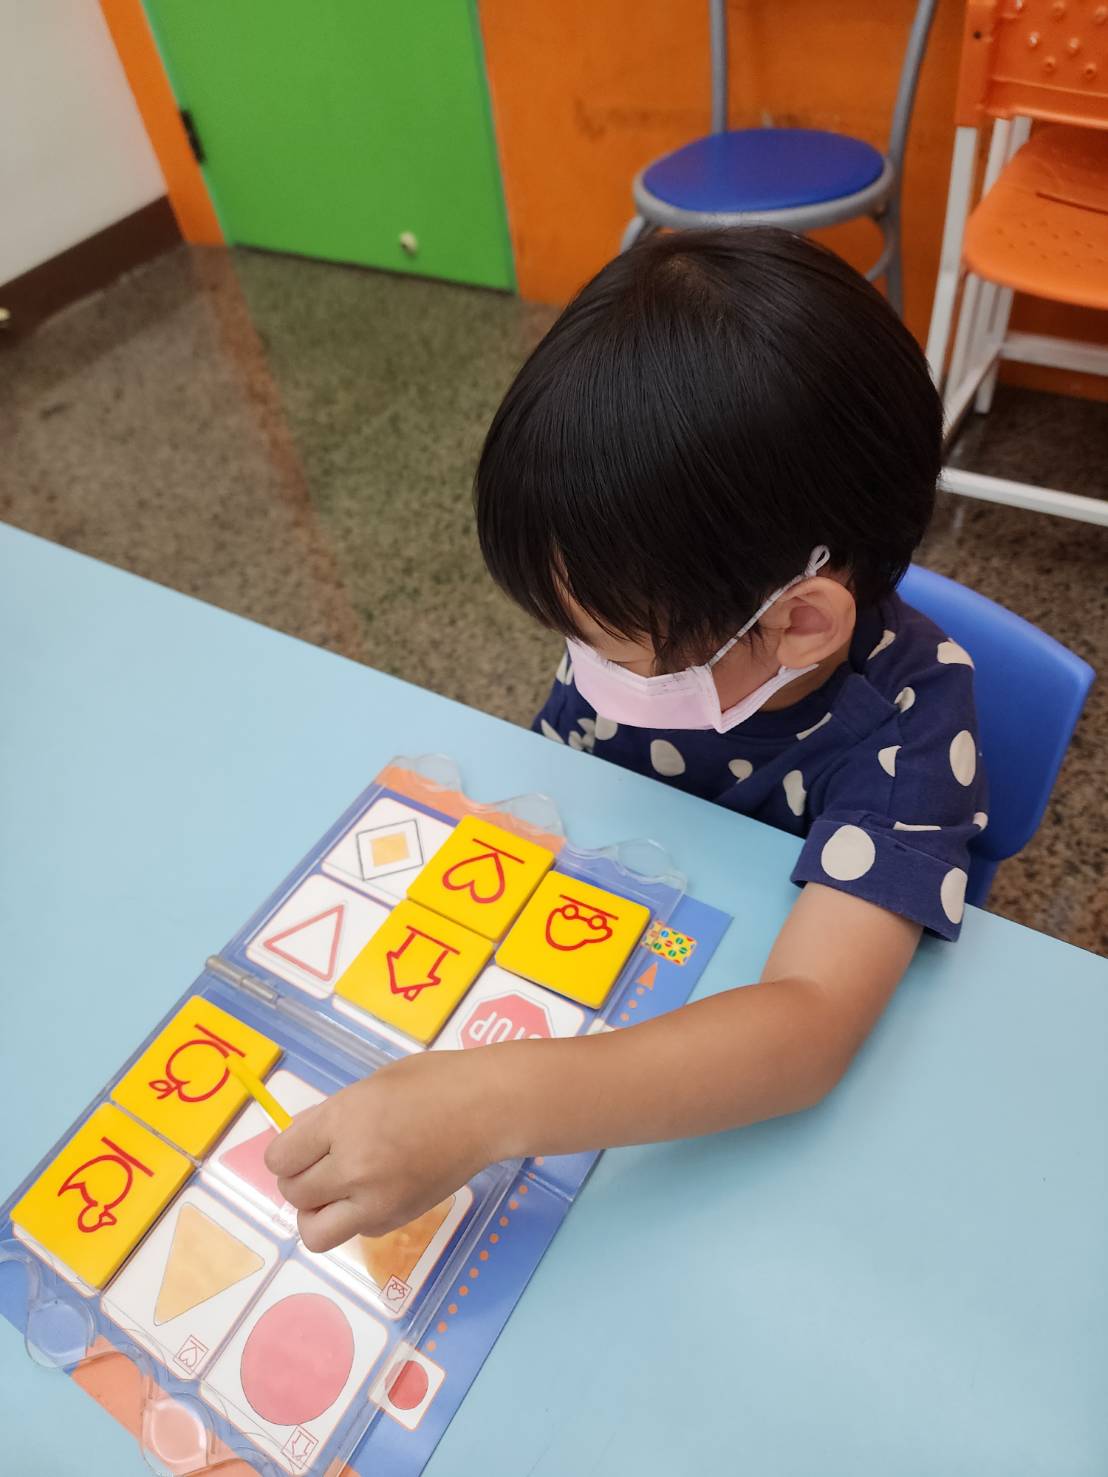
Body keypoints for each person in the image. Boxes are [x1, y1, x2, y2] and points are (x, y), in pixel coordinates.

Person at [267, 228, 987, 1251]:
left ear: (800, 622)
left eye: (608, 647)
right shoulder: (655, 604)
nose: (579, 666)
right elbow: (560, 796)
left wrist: (486, 1104)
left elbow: (809, 1027)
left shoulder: (911, 728)